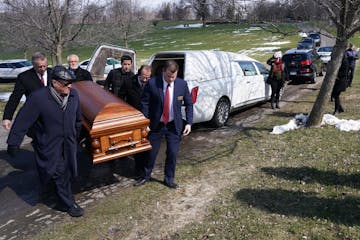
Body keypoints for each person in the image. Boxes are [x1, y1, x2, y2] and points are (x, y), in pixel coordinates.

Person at [6, 66, 84, 217]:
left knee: (65, 171)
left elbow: (78, 119)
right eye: (66, 83)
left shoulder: (73, 95)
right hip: (49, 144)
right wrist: (14, 142)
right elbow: (23, 120)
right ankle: (69, 203)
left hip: (68, 144)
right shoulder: (39, 98)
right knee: (58, 172)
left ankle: (52, 190)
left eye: (70, 83)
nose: (70, 86)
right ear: (54, 83)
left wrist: (76, 136)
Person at [135, 60, 193, 189]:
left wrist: (189, 122)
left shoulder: (181, 84)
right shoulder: (152, 83)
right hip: (156, 125)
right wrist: (145, 121)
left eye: (174, 76)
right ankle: (145, 176)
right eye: (168, 76)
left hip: (174, 125)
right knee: (151, 153)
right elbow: (144, 103)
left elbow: (189, 104)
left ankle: (169, 179)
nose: (171, 79)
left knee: (172, 153)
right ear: (163, 72)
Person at [2, 52, 51, 130]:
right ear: (33, 65)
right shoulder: (24, 77)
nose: (43, 69)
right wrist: (7, 117)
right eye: (39, 67)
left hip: (54, 115)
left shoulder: (54, 73)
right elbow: (15, 98)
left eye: (45, 66)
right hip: (36, 117)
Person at [124, 65, 152, 179]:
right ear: (139, 74)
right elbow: (121, 99)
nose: (145, 80)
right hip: (134, 118)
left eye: (147, 78)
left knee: (148, 145)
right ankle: (138, 170)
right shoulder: (129, 83)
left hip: (148, 118)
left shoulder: (152, 83)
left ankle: (147, 169)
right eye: (143, 78)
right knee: (137, 145)